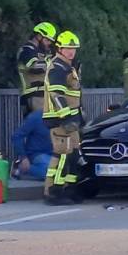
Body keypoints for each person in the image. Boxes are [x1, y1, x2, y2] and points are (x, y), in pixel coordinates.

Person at [43, 31, 84, 206]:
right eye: (67, 48)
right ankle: (53, 191)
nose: (71, 51)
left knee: (73, 154)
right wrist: (66, 116)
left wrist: (79, 116)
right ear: (59, 48)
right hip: (59, 119)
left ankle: (69, 189)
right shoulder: (57, 67)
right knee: (61, 155)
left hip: (71, 119)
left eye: (73, 48)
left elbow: (74, 95)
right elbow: (57, 95)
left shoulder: (68, 66)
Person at [17, 22, 56, 115]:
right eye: (47, 40)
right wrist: (52, 64)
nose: (49, 43)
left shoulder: (44, 51)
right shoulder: (26, 50)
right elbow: (32, 66)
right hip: (33, 95)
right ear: (39, 36)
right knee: (40, 122)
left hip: (43, 95)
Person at [11, 109, 52, 181]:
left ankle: (28, 171)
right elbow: (17, 136)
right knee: (53, 173)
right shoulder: (36, 117)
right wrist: (23, 157)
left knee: (61, 172)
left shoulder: (64, 117)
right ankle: (20, 169)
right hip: (37, 154)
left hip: (55, 155)